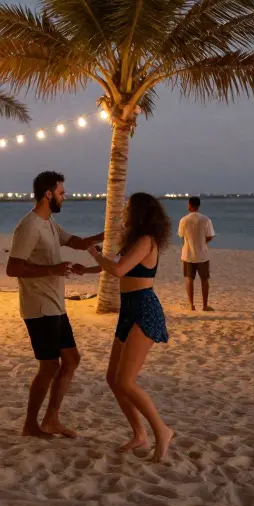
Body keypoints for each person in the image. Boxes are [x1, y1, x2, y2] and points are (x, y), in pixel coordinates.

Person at [6, 170, 104, 438]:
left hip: (55, 305)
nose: (65, 196)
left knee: (71, 360)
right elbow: (13, 268)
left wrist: (110, 233)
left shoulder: (48, 224)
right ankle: (30, 423)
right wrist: (53, 269)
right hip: (39, 307)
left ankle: (51, 419)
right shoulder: (29, 226)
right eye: (61, 192)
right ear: (48, 194)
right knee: (49, 365)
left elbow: (79, 242)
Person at [87, 192, 176, 462]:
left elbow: (118, 270)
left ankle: (162, 431)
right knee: (113, 379)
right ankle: (140, 434)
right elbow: (116, 265)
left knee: (126, 380)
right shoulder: (135, 241)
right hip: (129, 309)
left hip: (144, 310)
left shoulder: (147, 240)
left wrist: (93, 252)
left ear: (139, 213)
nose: (123, 211)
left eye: (127, 208)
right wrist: (88, 267)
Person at [178, 196, 215, 310]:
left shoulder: (184, 220)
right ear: (198, 206)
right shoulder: (206, 220)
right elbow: (210, 236)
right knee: (204, 279)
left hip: (188, 254)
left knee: (189, 279)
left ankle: (191, 305)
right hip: (202, 254)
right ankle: (204, 305)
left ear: (189, 205)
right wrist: (202, 242)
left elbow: (181, 235)